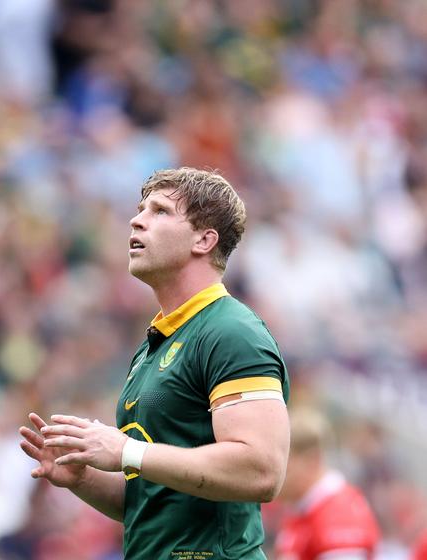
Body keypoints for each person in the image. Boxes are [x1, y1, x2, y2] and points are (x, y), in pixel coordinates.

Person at [19, 167, 291, 559]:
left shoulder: (232, 332)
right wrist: (82, 478)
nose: (136, 219)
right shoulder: (155, 344)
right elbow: (156, 500)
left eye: (160, 211)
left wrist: (126, 451)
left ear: (204, 239)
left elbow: (261, 469)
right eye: (140, 209)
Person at [272, 408, 380, 560]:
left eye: (285, 468)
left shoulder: (341, 515)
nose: (275, 475)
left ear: (312, 460)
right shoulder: (303, 508)